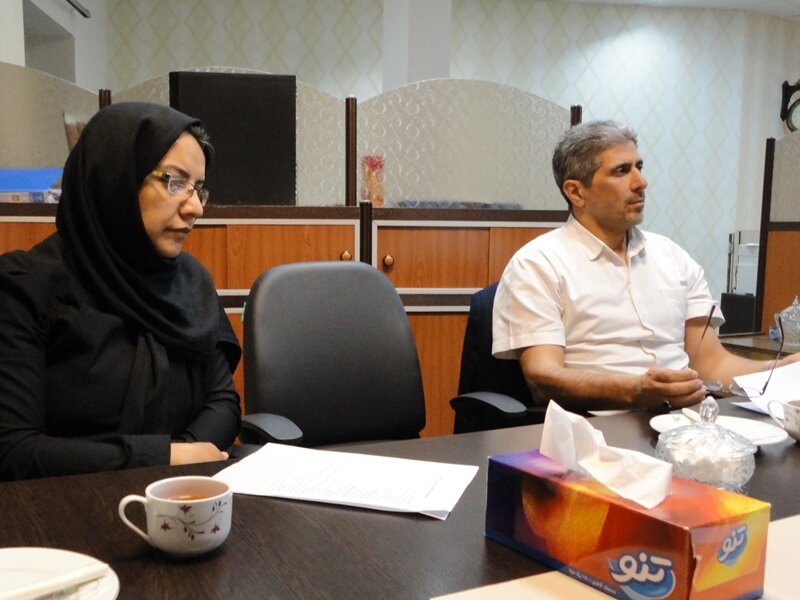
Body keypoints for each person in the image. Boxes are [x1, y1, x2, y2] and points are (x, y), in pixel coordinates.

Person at [0, 102, 242, 480]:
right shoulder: (24, 286)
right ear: (114, 179)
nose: (195, 207)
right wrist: (163, 458)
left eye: (198, 189)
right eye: (175, 182)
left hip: (180, 499)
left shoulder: (191, 282)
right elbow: (14, 450)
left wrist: (183, 466)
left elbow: (222, 400)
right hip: (65, 503)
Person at [492, 120, 800, 413]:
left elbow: (710, 365)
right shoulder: (538, 263)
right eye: (621, 171)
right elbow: (542, 378)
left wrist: (777, 371)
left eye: (639, 167)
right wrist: (634, 391)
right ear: (576, 192)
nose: (641, 182)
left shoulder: (674, 257)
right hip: (594, 427)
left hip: (684, 421)